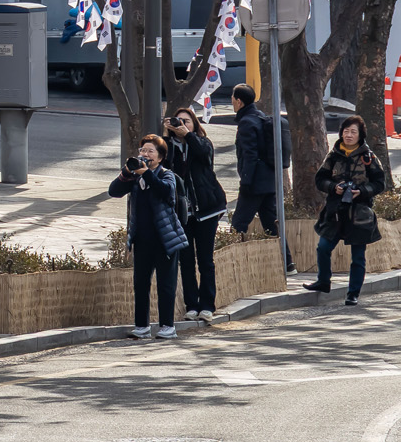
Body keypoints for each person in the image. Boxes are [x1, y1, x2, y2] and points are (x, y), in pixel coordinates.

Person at [110, 134, 190, 339]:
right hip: (142, 239)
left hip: (165, 239)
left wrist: (147, 174)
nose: (145, 155)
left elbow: (165, 192)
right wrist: (127, 172)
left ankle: (167, 326)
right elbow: (114, 191)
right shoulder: (135, 177)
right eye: (142, 151)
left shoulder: (166, 175)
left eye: (150, 152)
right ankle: (142, 326)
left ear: (161, 157)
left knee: (166, 283)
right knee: (140, 283)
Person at [303, 115, 386, 306]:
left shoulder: (369, 157)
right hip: (335, 211)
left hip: (359, 213)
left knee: (358, 256)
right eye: (346, 131)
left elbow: (380, 183)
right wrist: (333, 187)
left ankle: (353, 293)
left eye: (353, 132)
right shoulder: (333, 155)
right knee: (323, 247)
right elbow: (320, 180)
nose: (348, 135)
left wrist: (362, 191)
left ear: (360, 135)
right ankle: (323, 281)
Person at [165, 107, 228, 321]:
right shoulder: (168, 148)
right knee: (186, 260)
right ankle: (191, 305)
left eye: (187, 121)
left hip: (206, 210)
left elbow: (203, 155)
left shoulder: (202, 142)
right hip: (182, 214)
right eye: (178, 121)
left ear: (194, 124)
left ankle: (207, 305)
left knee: (205, 260)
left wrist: (188, 136)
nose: (182, 124)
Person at [228, 83, 292, 270]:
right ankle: (288, 262)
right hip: (269, 182)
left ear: (239, 101)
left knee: (238, 223)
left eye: (232, 98)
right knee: (271, 224)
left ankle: (233, 262)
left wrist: (246, 181)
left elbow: (250, 156)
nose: (231, 102)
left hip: (254, 183)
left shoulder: (247, 123)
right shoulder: (261, 118)